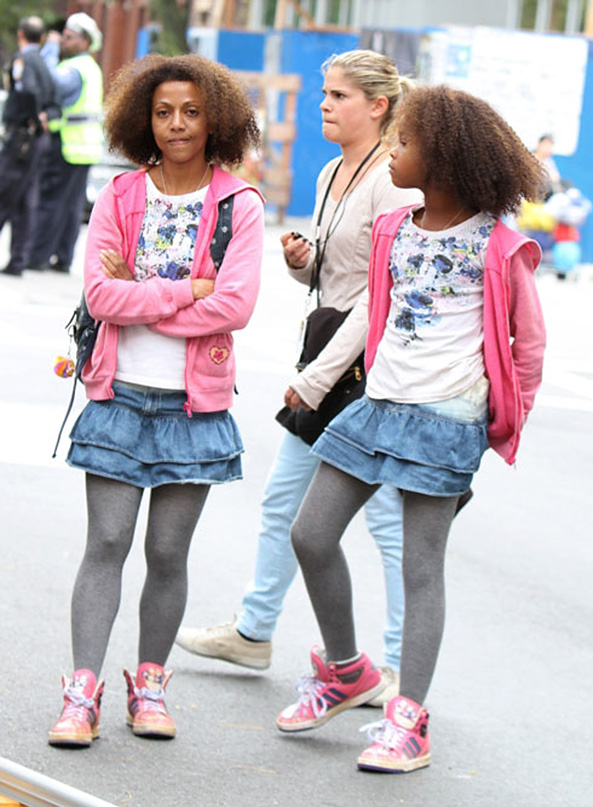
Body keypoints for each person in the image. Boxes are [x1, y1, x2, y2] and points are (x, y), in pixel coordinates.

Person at [275, 85, 547, 774]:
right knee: (309, 533)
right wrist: (315, 381)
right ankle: (346, 672)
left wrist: (498, 419)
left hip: (445, 419)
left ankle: (409, 719)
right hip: (375, 406)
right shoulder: (395, 230)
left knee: (420, 567)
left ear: (444, 156)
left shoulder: (498, 244)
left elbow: (527, 345)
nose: (391, 152)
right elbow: (374, 314)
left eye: (403, 142)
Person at [176, 49, 423, 705]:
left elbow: (381, 295)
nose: (324, 104)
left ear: (377, 105)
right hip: (328, 353)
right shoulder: (327, 174)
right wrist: (300, 262)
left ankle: (396, 666)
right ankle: (254, 630)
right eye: (323, 93)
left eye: (339, 95)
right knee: (283, 501)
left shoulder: (393, 181)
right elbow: (335, 278)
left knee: (389, 520)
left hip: (368, 368)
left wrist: (315, 378)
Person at [47, 53, 264, 748]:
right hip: (119, 395)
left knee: (168, 553)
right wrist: (186, 290)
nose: (177, 124)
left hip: (193, 407)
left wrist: (145, 296)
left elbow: (236, 304)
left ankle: (149, 682)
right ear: (145, 117)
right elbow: (100, 296)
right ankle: (82, 690)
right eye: (164, 111)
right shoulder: (118, 197)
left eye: (192, 112)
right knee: (105, 542)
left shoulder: (239, 205)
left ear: (215, 121)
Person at [27, 13, 104, 273]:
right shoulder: (91, 68)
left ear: (85, 41)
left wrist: (48, 48)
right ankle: (62, 257)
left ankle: (37, 256)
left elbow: (51, 86)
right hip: (83, 148)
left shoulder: (74, 69)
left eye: (68, 37)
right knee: (71, 206)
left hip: (68, 146)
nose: (63, 42)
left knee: (50, 201)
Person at [0, 16, 59, 277]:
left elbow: (28, 91)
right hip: (37, 141)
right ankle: (18, 260)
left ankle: (18, 259)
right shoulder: (46, 65)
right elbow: (55, 103)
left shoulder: (24, 59)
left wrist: (34, 120)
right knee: (25, 200)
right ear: (42, 38)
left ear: (21, 34)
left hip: (23, 138)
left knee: (4, 192)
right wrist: (44, 119)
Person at [534, 134, 561, 198]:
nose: (548, 149)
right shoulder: (530, 157)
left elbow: (556, 177)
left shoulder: (549, 161)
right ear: (540, 144)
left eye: (550, 147)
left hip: (547, 188)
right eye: (546, 145)